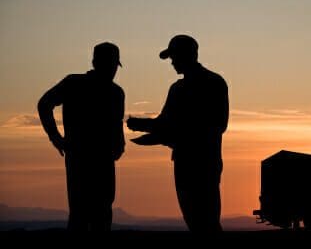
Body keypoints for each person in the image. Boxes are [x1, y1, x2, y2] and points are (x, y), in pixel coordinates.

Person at [127, 34, 229, 232]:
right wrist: (142, 125)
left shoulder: (212, 83)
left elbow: (217, 125)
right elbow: (165, 124)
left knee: (206, 220)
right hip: (186, 161)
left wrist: (151, 128)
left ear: (188, 55)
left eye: (174, 57)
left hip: (203, 162)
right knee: (193, 219)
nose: (172, 62)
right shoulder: (179, 88)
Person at [38, 42, 125, 231]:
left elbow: (117, 126)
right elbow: (44, 104)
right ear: (95, 62)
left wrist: (119, 146)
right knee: (81, 212)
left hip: (102, 160)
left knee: (101, 212)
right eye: (109, 65)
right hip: (81, 159)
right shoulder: (74, 83)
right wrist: (55, 137)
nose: (112, 71)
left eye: (113, 66)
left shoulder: (116, 92)